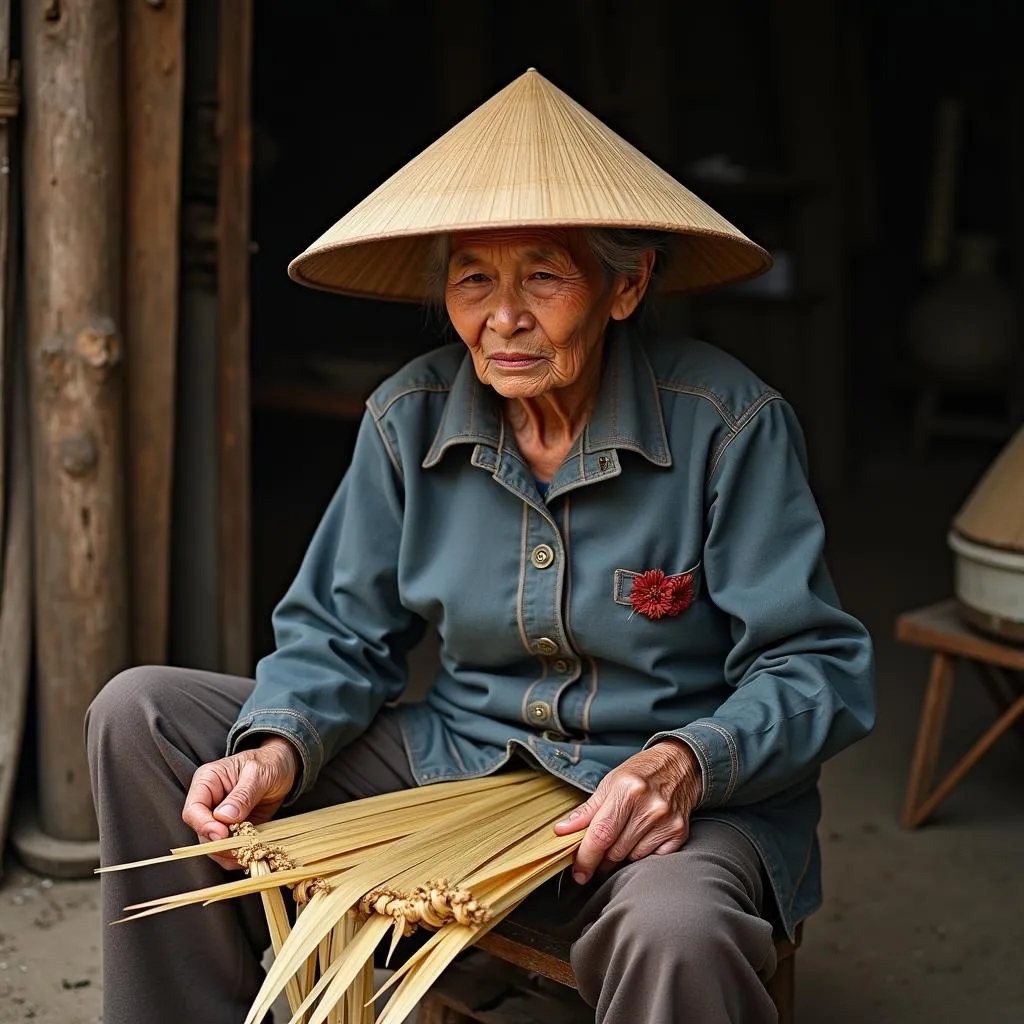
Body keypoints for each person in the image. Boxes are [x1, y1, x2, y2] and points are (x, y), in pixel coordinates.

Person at [87, 68, 874, 1024]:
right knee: (141, 715)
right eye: (473, 280)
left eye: (542, 275)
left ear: (626, 285)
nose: (502, 319)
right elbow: (337, 633)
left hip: (670, 802)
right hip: (458, 759)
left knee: (677, 933)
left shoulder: (727, 424)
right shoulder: (408, 417)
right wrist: (278, 747)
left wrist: (685, 764)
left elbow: (818, 667)